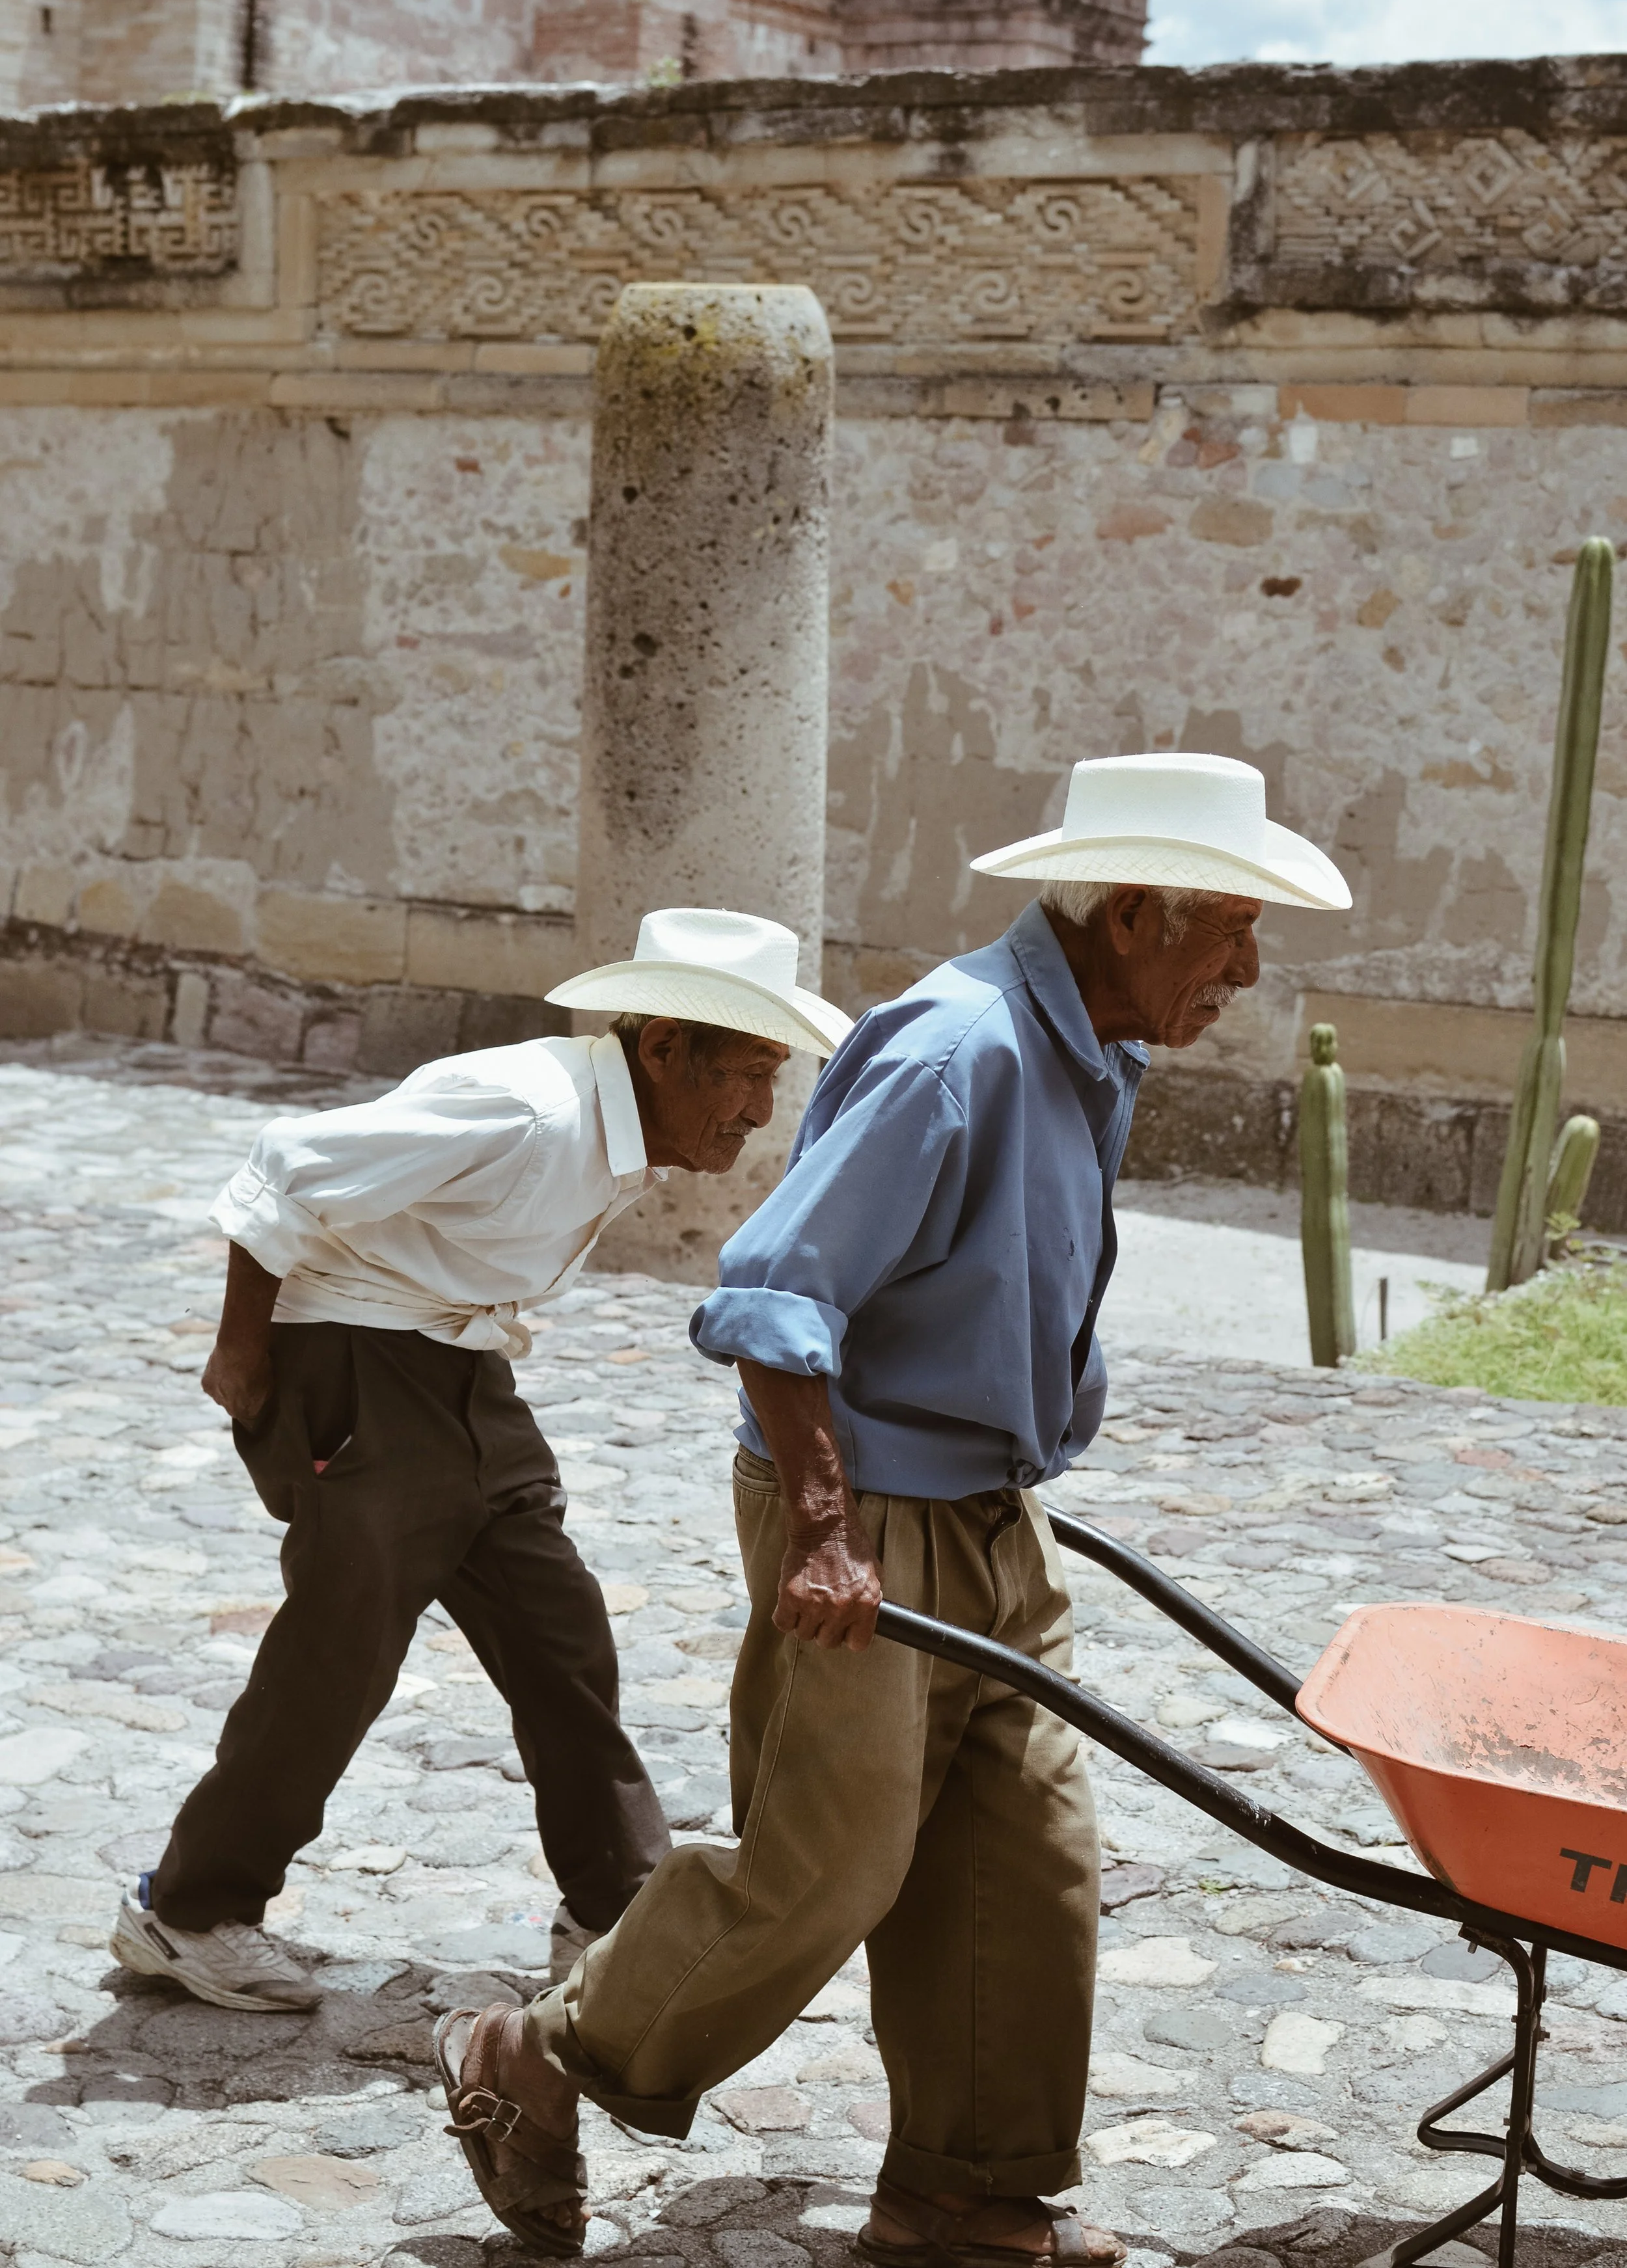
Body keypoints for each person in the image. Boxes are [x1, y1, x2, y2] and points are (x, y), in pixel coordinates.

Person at [435, 753, 1351, 2260]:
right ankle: (534, 2052)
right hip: (861, 1511)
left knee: (1024, 1855)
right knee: (830, 1864)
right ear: (1130, 913)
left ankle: (959, 2191)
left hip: (995, 1512)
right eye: (1228, 936)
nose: (1244, 976)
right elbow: (774, 1294)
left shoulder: (1088, 1047)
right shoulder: (958, 1048)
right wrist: (821, 1530)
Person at [110, 909, 851, 2014]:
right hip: (357, 1362)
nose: (758, 1108)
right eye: (745, 1075)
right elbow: (284, 1168)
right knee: (341, 1648)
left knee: (559, 1625)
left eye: (770, 1078)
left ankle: (614, 1908)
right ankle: (187, 1910)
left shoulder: (617, 1126)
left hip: (460, 1369)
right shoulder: (526, 1107)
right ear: (660, 1050)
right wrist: (243, 1352)